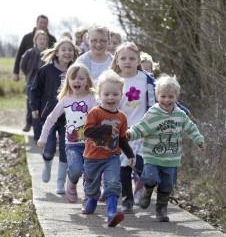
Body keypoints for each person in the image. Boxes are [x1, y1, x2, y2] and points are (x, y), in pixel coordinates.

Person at [126, 75, 205, 222]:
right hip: (152, 156)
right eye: (163, 96)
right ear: (157, 96)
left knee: (167, 185)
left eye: (171, 96)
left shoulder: (180, 115)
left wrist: (198, 139)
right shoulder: (153, 113)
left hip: (171, 158)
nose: (167, 100)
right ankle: (147, 191)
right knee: (150, 177)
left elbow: (191, 128)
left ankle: (161, 209)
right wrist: (130, 134)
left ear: (177, 97)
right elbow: (141, 127)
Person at [81, 70, 135, 227]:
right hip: (92, 157)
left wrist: (130, 154)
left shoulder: (122, 117)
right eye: (106, 94)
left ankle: (111, 212)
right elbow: (88, 132)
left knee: (113, 183)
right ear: (99, 95)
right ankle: (91, 200)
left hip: (112, 157)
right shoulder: (95, 113)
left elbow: (122, 138)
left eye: (115, 94)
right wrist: (105, 128)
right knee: (91, 185)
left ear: (121, 95)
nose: (111, 97)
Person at [37, 64, 97, 203]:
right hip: (72, 144)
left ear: (87, 81)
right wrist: (43, 138)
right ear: (68, 81)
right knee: (76, 169)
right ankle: (71, 182)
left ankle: (88, 198)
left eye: (81, 78)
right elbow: (51, 119)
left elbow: (99, 118)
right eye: (73, 78)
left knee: (90, 172)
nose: (77, 81)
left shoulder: (92, 99)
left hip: (91, 143)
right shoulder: (66, 99)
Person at [110, 42, 156, 213]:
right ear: (117, 60)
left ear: (138, 60)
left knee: (143, 166)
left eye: (132, 58)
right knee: (124, 166)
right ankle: (127, 199)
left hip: (143, 129)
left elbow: (153, 103)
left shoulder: (147, 79)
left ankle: (146, 189)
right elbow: (106, 102)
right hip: (122, 131)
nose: (127, 61)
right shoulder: (113, 79)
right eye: (123, 58)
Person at [30, 38, 80, 194]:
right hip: (49, 115)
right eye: (63, 49)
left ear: (74, 54)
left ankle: (60, 183)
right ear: (57, 52)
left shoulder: (76, 71)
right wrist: (34, 107)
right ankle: (47, 164)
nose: (67, 52)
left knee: (66, 150)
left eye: (70, 50)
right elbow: (35, 89)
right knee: (50, 148)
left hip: (70, 118)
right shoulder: (45, 70)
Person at [16, 30, 49, 133]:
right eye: (40, 39)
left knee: (43, 105)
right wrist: (28, 74)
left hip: (44, 84)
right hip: (31, 82)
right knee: (31, 104)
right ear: (35, 40)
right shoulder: (30, 52)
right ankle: (28, 123)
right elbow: (22, 65)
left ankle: (42, 127)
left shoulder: (49, 53)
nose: (42, 41)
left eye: (44, 39)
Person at [13, 14, 56, 79]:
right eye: (41, 22)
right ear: (36, 23)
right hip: (30, 75)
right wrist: (16, 72)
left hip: (46, 76)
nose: (43, 25)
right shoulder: (27, 37)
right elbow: (19, 54)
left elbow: (56, 57)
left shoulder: (52, 39)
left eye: (45, 23)